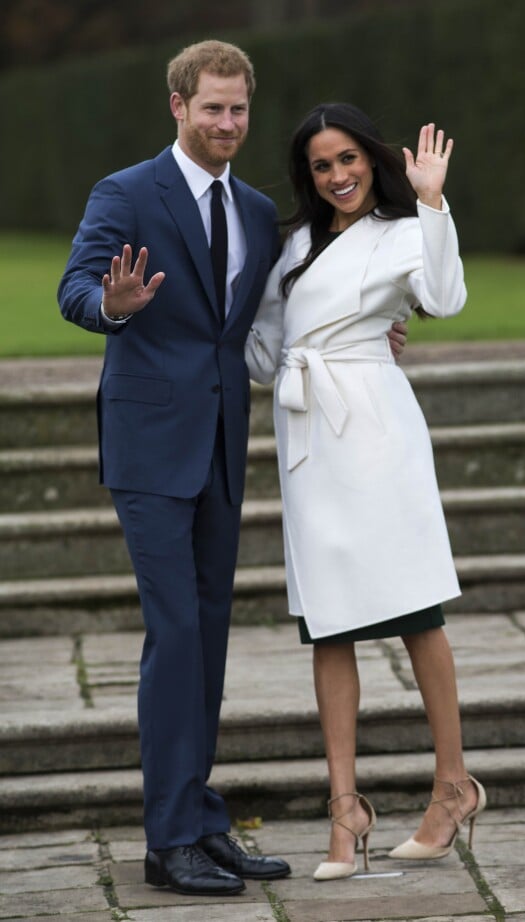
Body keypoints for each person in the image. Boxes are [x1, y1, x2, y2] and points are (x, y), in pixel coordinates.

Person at [56, 39, 294, 898]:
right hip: (151, 450)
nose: (227, 123)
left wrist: (370, 328)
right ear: (178, 107)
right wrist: (110, 308)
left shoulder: (261, 210)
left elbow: (275, 314)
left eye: (238, 109)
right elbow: (75, 287)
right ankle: (167, 844)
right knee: (177, 638)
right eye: (212, 108)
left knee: (210, 641)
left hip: (224, 446)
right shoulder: (126, 192)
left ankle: (201, 818)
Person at [245, 104, 486, 882]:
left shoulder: (405, 227)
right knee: (329, 623)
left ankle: (453, 787)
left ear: (369, 159)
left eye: (347, 158)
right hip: (310, 435)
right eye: (321, 165)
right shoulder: (291, 248)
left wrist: (432, 201)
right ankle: (345, 812)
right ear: (307, 178)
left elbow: (445, 298)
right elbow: (262, 353)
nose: (338, 175)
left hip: (377, 429)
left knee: (417, 609)